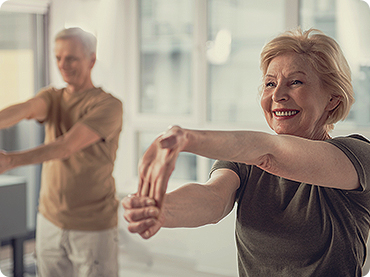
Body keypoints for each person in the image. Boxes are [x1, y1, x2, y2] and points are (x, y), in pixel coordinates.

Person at [122, 28, 370, 277]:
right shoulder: (245, 158)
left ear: (333, 99)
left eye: (295, 82)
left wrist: (186, 139)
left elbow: (271, 153)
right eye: (270, 83)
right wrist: (162, 209)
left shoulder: (356, 155)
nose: (277, 95)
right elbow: (213, 199)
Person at [0, 27, 123, 276]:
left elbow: (66, 146)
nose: (63, 65)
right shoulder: (53, 97)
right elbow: (25, 109)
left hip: (93, 227)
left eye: (71, 58)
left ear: (92, 59)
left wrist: (10, 161)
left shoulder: (108, 105)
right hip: (50, 221)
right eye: (58, 57)